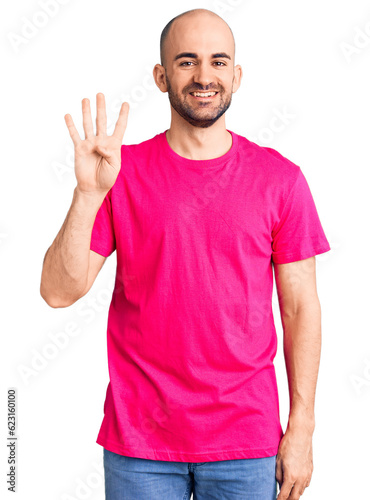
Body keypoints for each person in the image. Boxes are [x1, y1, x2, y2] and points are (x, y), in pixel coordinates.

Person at [40, 8, 331, 500]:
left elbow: (300, 308)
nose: (203, 76)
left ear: (236, 76)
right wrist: (88, 195)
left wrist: (301, 427)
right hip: (140, 444)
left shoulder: (280, 180)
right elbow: (57, 292)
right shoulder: (120, 172)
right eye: (186, 61)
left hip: (246, 441)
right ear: (161, 76)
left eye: (219, 62)